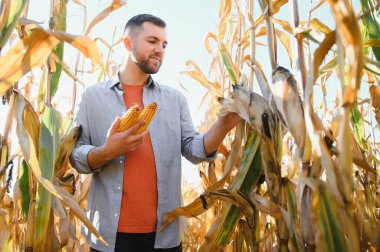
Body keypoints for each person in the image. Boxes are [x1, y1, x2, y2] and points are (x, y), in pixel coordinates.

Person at [70, 14, 240, 252]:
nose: (160, 49)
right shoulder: (92, 97)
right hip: (109, 237)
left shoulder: (174, 100)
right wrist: (106, 151)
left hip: (164, 237)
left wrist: (223, 125)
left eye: (164, 44)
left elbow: (194, 149)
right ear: (128, 44)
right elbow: (75, 155)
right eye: (152, 41)